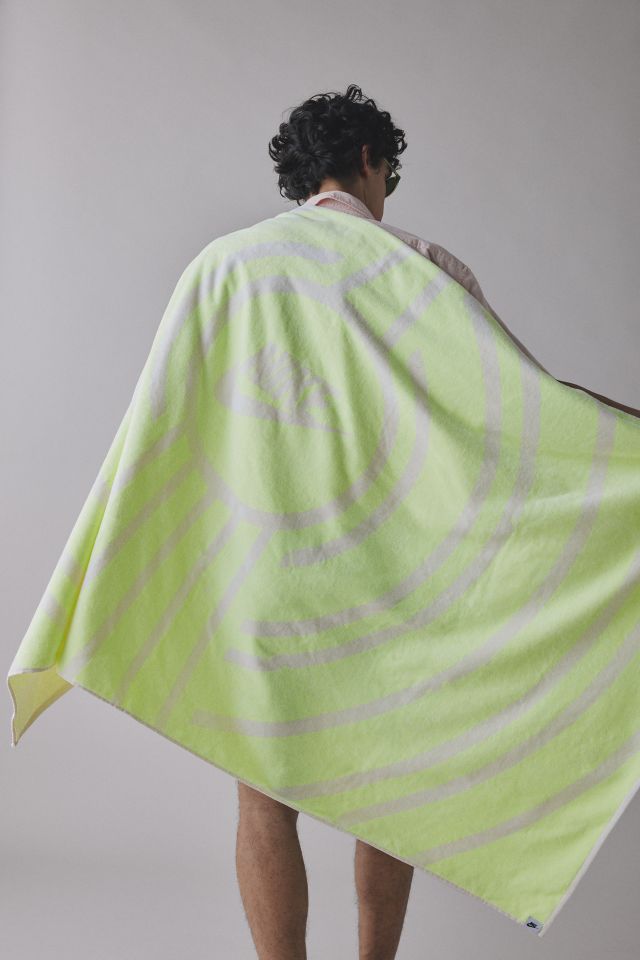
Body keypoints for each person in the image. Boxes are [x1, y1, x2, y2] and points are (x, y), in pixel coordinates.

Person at [234, 83, 640, 960]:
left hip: (264, 564)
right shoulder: (419, 266)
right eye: (387, 172)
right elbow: (529, 412)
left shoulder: (226, 270)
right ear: (369, 161)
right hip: (391, 566)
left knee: (263, 793)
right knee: (389, 787)